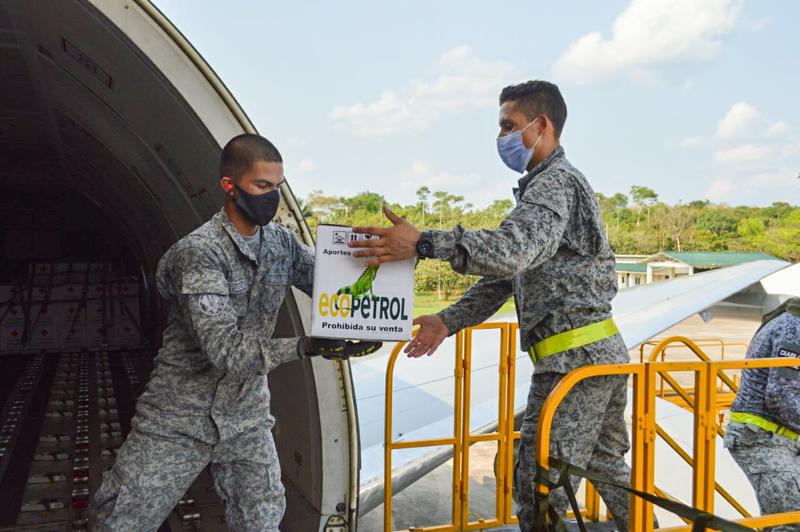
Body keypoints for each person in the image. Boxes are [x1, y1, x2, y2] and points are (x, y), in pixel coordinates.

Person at [349, 80, 632, 531]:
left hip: (573, 363)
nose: (501, 137)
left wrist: (425, 243)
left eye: (508, 125)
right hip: (596, 358)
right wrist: (447, 319)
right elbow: (508, 275)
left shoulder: (554, 185)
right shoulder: (546, 188)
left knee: (540, 487)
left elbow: (510, 252)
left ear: (541, 125)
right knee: (606, 467)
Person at [93, 134, 380, 531]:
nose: (272, 197)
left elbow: (333, 287)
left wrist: (372, 313)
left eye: (277, 187)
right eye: (262, 186)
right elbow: (225, 350)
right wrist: (307, 345)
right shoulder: (201, 252)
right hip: (179, 417)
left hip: (245, 416)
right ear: (230, 186)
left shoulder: (281, 244)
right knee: (123, 520)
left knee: (261, 522)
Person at [724, 299, 800, 532]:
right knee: (791, 522)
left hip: (784, 439)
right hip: (760, 439)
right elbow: (781, 395)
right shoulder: (794, 329)